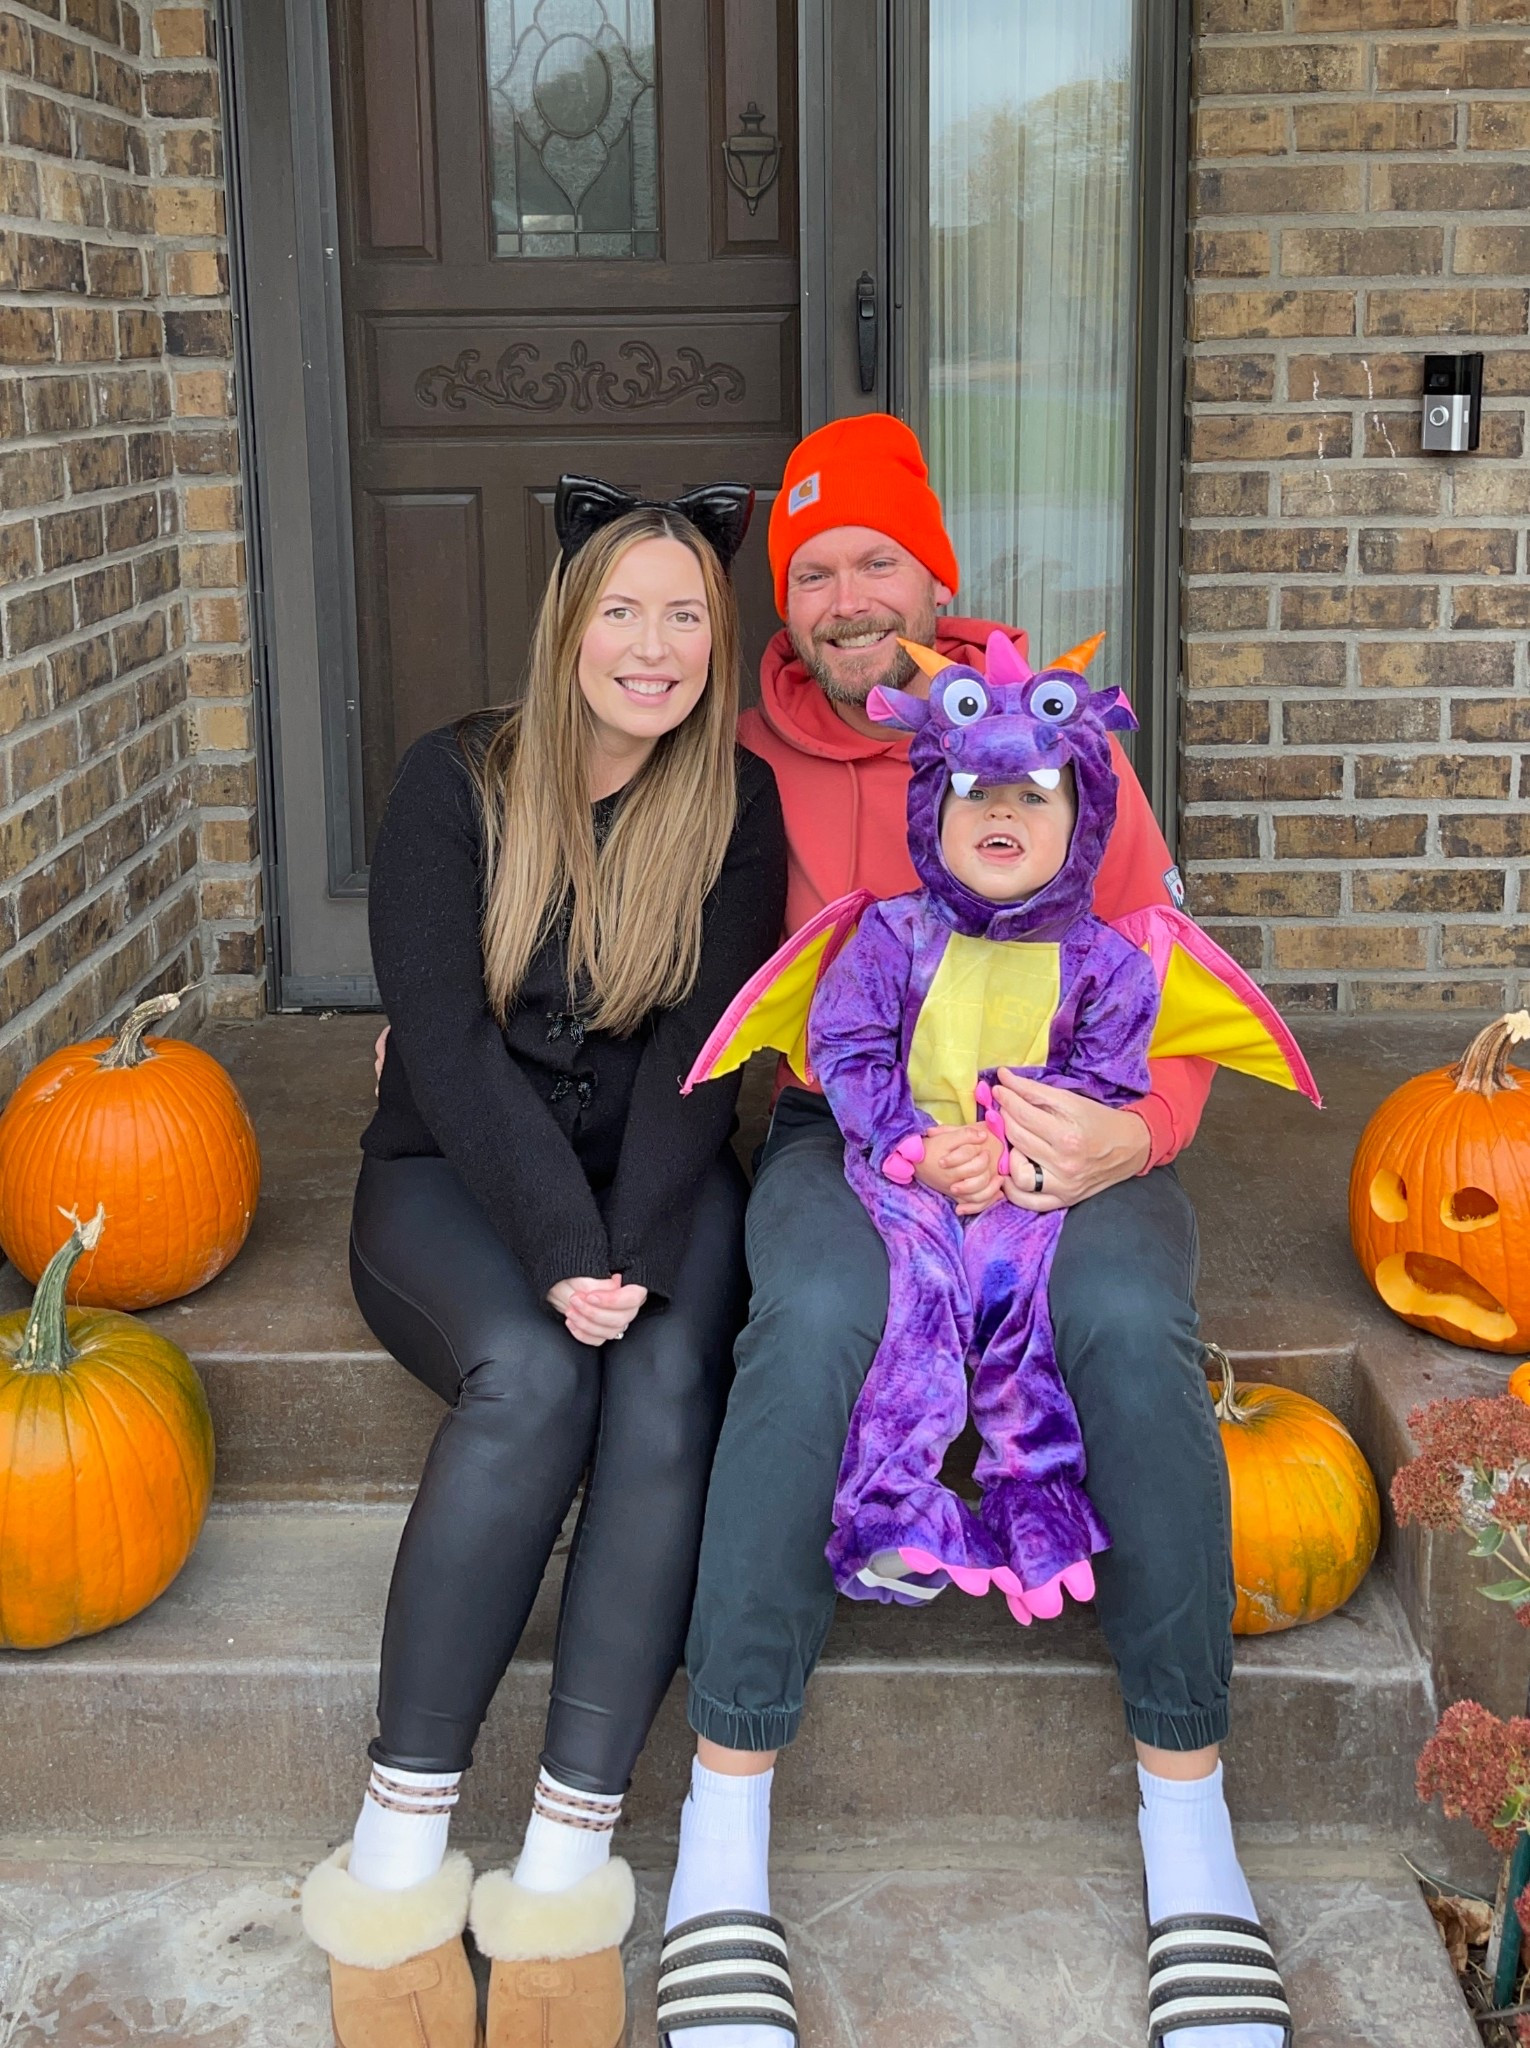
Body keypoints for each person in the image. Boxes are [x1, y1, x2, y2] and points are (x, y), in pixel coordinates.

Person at [657, 415, 1289, 2048]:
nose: (846, 593)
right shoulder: (737, 749)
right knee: (803, 1327)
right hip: (856, 1125)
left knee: (1129, 1332)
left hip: (1070, 1113)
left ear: (933, 572)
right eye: (811, 570)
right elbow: (618, 904)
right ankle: (720, 1845)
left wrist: (1134, 1134)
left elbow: (1163, 954)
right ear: (782, 601)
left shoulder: (1051, 733)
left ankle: (1189, 1834)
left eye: (876, 557)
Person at [301, 480, 786, 2048]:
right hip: (456, 1178)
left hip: (654, 1180)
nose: (653, 648)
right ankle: (395, 1860)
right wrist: (560, 1256)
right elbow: (439, 1043)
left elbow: (700, 1066)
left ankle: (568, 1862)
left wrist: (629, 1253)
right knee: (526, 1385)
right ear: (569, 625)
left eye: (687, 616)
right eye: (622, 612)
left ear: (720, 640)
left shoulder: (737, 805)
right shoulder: (453, 782)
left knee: (657, 1399)